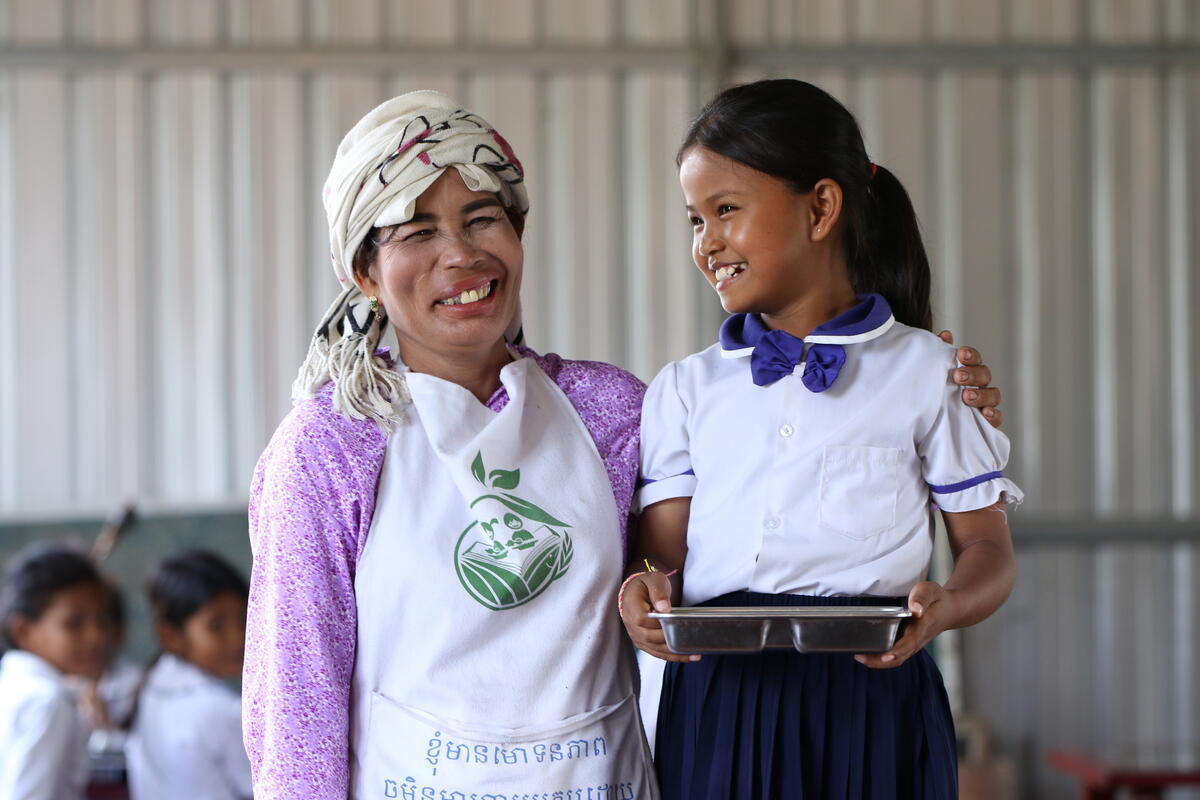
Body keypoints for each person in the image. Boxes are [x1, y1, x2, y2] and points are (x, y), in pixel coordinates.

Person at [244, 90, 1005, 799]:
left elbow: (757, 470)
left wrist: (907, 373)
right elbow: (298, 707)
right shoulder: (326, 449)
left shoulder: (607, 408)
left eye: (484, 218)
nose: (460, 255)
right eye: (416, 233)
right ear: (363, 273)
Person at [619, 78, 1022, 800]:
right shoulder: (685, 389)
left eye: (726, 210)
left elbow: (988, 551)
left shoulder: (930, 373)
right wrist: (644, 583)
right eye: (694, 220)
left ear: (822, 208)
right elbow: (662, 549)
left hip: (873, 702)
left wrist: (948, 607)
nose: (706, 242)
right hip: (719, 702)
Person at [125, 550, 251, 800]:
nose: (238, 637)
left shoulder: (149, 687)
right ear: (171, 636)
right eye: (216, 625)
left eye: (243, 618)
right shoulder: (222, 709)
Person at [0, 544, 108, 800]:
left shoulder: (13, 684)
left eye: (100, 620)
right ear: (23, 631)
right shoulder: (48, 702)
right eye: (73, 623)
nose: (96, 636)